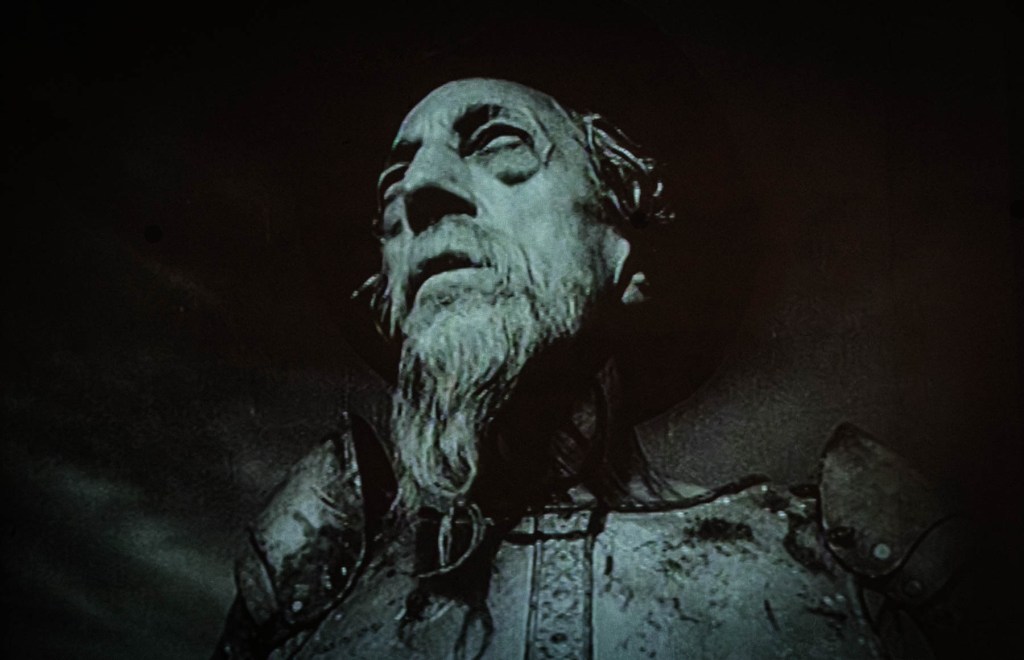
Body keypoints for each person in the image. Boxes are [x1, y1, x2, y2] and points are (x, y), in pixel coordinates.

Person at [213, 79, 971, 659]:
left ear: (627, 255)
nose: (418, 191)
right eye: (390, 192)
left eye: (499, 144)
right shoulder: (306, 606)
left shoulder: (838, 568)